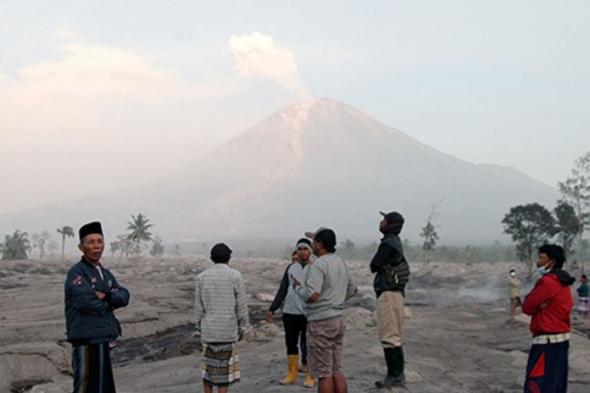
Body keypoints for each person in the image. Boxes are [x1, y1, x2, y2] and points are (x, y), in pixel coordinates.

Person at [65, 221, 130, 393]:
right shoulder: (77, 272)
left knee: (104, 387)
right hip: (86, 339)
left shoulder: (106, 273)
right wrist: (111, 302)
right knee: (85, 386)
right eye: (91, 242)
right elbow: (85, 302)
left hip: (104, 337)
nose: (96, 246)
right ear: (81, 247)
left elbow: (124, 296)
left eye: (99, 241)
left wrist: (106, 296)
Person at [293, 227, 357, 393]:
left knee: (324, 373)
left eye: (314, 242)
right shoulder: (339, 262)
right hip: (337, 318)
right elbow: (352, 289)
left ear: (319, 245)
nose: (311, 245)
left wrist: (299, 289)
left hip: (321, 321)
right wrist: (336, 300)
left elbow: (313, 294)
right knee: (336, 369)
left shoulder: (318, 265)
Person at [194, 243, 250, 393]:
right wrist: (244, 326)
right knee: (223, 375)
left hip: (209, 332)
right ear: (228, 258)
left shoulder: (201, 277)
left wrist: (199, 327)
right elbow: (241, 306)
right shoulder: (235, 276)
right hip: (227, 332)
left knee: (208, 372)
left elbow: (198, 308)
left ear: (212, 258)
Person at [521, 244, 575, 393]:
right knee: (556, 385)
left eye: (541, 258)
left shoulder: (548, 282)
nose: (538, 262)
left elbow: (527, 307)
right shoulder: (564, 282)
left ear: (552, 262)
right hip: (562, 341)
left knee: (537, 385)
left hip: (546, 342)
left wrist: (538, 306)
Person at [267, 239, 315, 388]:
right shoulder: (291, 268)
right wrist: (272, 308)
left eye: (305, 248)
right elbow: (283, 289)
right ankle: (292, 373)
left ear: (310, 251)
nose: (302, 251)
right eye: (299, 249)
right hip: (289, 311)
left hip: (307, 313)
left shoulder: (315, 268)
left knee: (309, 344)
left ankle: (310, 375)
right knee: (291, 344)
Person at [370, 211, 411, 389]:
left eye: (384, 220)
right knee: (393, 334)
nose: (381, 222)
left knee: (389, 335)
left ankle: (395, 375)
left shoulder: (389, 243)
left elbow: (374, 265)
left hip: (388, 294)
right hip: (395, 294)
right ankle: (396, 375)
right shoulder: (395, 242)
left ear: (390, 224)